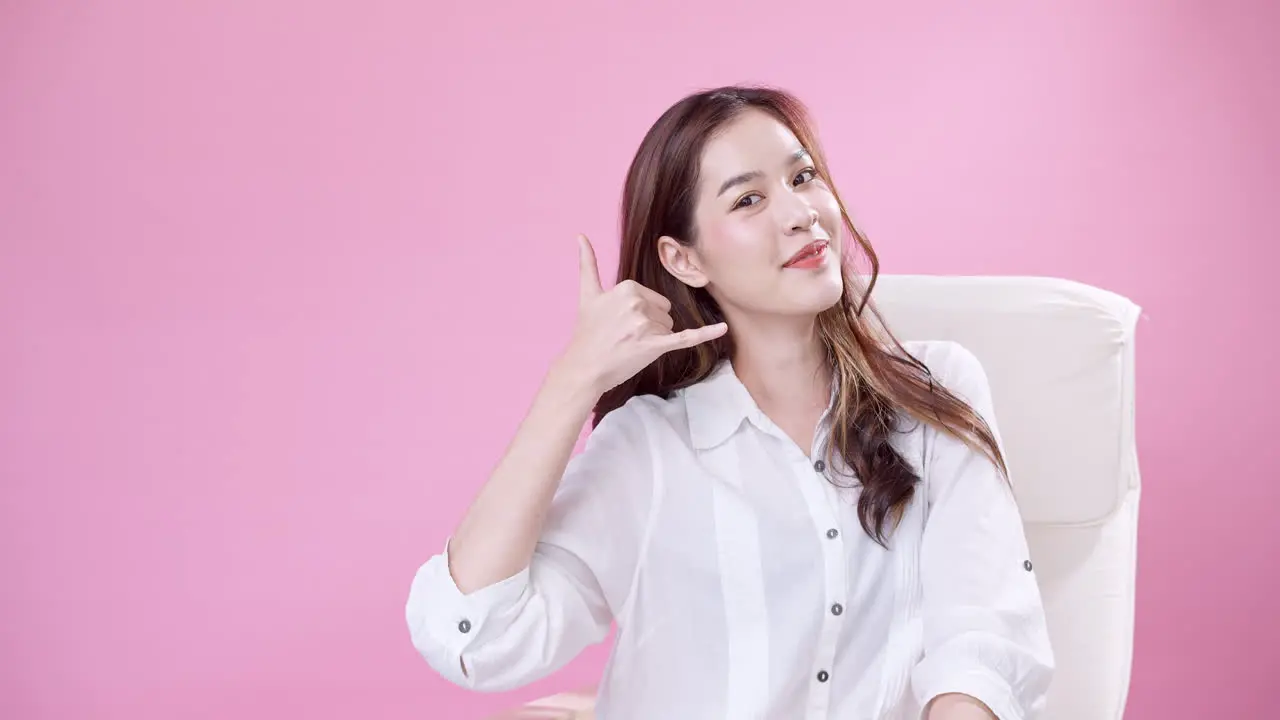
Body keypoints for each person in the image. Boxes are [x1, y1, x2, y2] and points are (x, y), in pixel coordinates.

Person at [405, 85, 1054, 719]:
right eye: (749, 199)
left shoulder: (935, 389)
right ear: (683, 259)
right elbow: (476, 640)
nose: (800, 214)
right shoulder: (650, 446)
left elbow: (983, 641)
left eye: (803, 178)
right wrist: (570, 385)